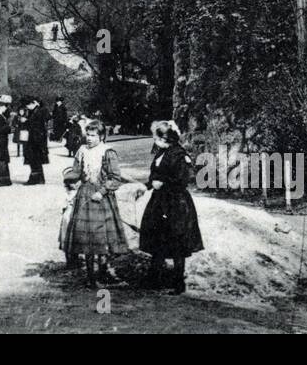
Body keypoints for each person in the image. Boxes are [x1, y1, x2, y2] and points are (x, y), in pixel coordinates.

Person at [60, 119, 129, 285]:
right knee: (87, 238)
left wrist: (102, 191)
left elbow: (115, 178)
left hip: (101, 197)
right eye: (88, 135)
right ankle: (91, 276)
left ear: (101, 136)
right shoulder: (82, 150)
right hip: (84, 195)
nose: (89, 138)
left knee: (102, 237)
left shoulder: (108, 152)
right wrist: (68, 179)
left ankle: (104, 272)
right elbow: (76, 172)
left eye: (93, 135)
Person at [138, 121, 204, 292]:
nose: (154, 140)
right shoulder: (161, 152)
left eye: (155, 137)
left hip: (176, 203)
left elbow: (183, 179)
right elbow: (156, 175)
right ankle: (154, 279)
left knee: (177, 242)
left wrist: (163, 184)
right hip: (160, 202)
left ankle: (178, 282)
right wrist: (146, 186)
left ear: (164, 137)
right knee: (158, 239)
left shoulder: (179, 154)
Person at [23, 97, 50, 185]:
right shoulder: (35, 111)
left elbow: (37, 124)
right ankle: (39, 179)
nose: (27, 107)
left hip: (37, 139)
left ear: (34, 103)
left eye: (28, 104)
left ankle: (35, 179)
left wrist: (26, 121)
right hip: (35, 139)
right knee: (35, 160)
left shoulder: (40, 111)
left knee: (35, 159)